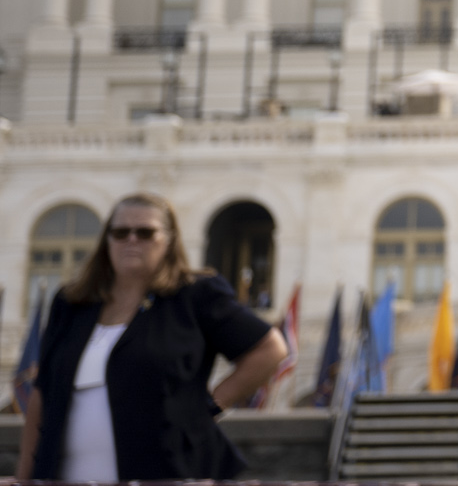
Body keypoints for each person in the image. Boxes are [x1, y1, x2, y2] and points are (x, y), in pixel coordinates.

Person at [15, 191, 288, 483]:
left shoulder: (196, 295)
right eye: (120, 232)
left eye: (145, 233)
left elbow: (270, 349)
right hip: (66, 477)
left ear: (169, 240)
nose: (131, 240)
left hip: (168, 472)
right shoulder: (72, 302)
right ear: (106, 239)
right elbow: (42, 394)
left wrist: (208, 407)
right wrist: (24, 478)